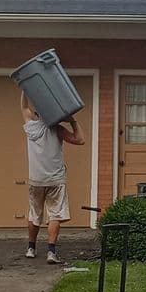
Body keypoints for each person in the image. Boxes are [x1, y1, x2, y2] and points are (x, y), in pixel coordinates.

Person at [21, 92, 84, 264]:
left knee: (35, 213)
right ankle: (51, 252)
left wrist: (26, 89)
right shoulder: (58, 129)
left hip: (36, 179)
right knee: (55, 215)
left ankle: (31, 249)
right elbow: (80, 140)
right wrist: (72, 121)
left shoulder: (31, 127)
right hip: (56, 180)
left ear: (38, 114)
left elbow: (24, 107)